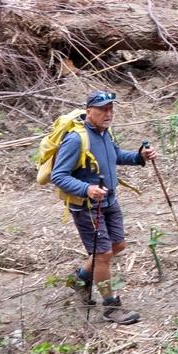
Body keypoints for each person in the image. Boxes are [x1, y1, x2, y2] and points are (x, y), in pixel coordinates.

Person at [49, 90, 151, 325]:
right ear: (89, 112)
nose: (108, 113)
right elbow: (59, 175)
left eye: (110, 109)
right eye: (102, 109)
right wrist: (87, 189)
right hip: (87, 206)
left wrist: (139, 157)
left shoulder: (105, 132)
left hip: (109, 201)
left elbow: (114, 155)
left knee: (118, 244)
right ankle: (111, 307)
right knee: (102, 254)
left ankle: (81, 278)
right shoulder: (76, 139)